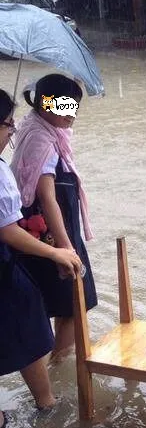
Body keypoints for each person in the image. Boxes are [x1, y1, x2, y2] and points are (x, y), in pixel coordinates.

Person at [0, 89, 81, 428]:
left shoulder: (44, 131)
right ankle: (47, 401)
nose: (11, 132)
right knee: (35, 320)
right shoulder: (40, 139)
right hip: (34, 237)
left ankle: (48, 395)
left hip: (31, 236)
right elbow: (19, 220)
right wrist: (61, 248)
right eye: (7, 125)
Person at [11, 74, 96, 359]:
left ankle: (55, 363)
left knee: (60, 303)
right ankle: (59, 366)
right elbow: (47, 198)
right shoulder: (42, 141)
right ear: (45, 105)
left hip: (40, 228)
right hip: (52, 231)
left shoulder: (35, 127)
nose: (71, 114)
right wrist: (65, 247)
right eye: (64, 106)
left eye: (74, 107)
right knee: (73, 304)